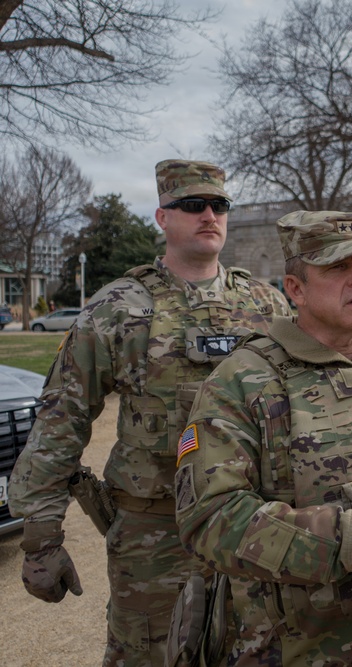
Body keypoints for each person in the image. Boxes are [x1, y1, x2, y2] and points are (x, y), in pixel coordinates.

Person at [9, 159, 291, 667]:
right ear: (162, 217)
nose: (209, 215)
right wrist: (40, 539)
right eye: (192, 205)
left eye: (219, 205)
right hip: (156, 536)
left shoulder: (267, 307)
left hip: (256, 527)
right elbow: (61, 421)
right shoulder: (118, 308)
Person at [174, 210, 352, 665]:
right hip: (302, 647)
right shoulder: (244, 380)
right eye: (337, 267)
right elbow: (210, 520)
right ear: (296, 289)